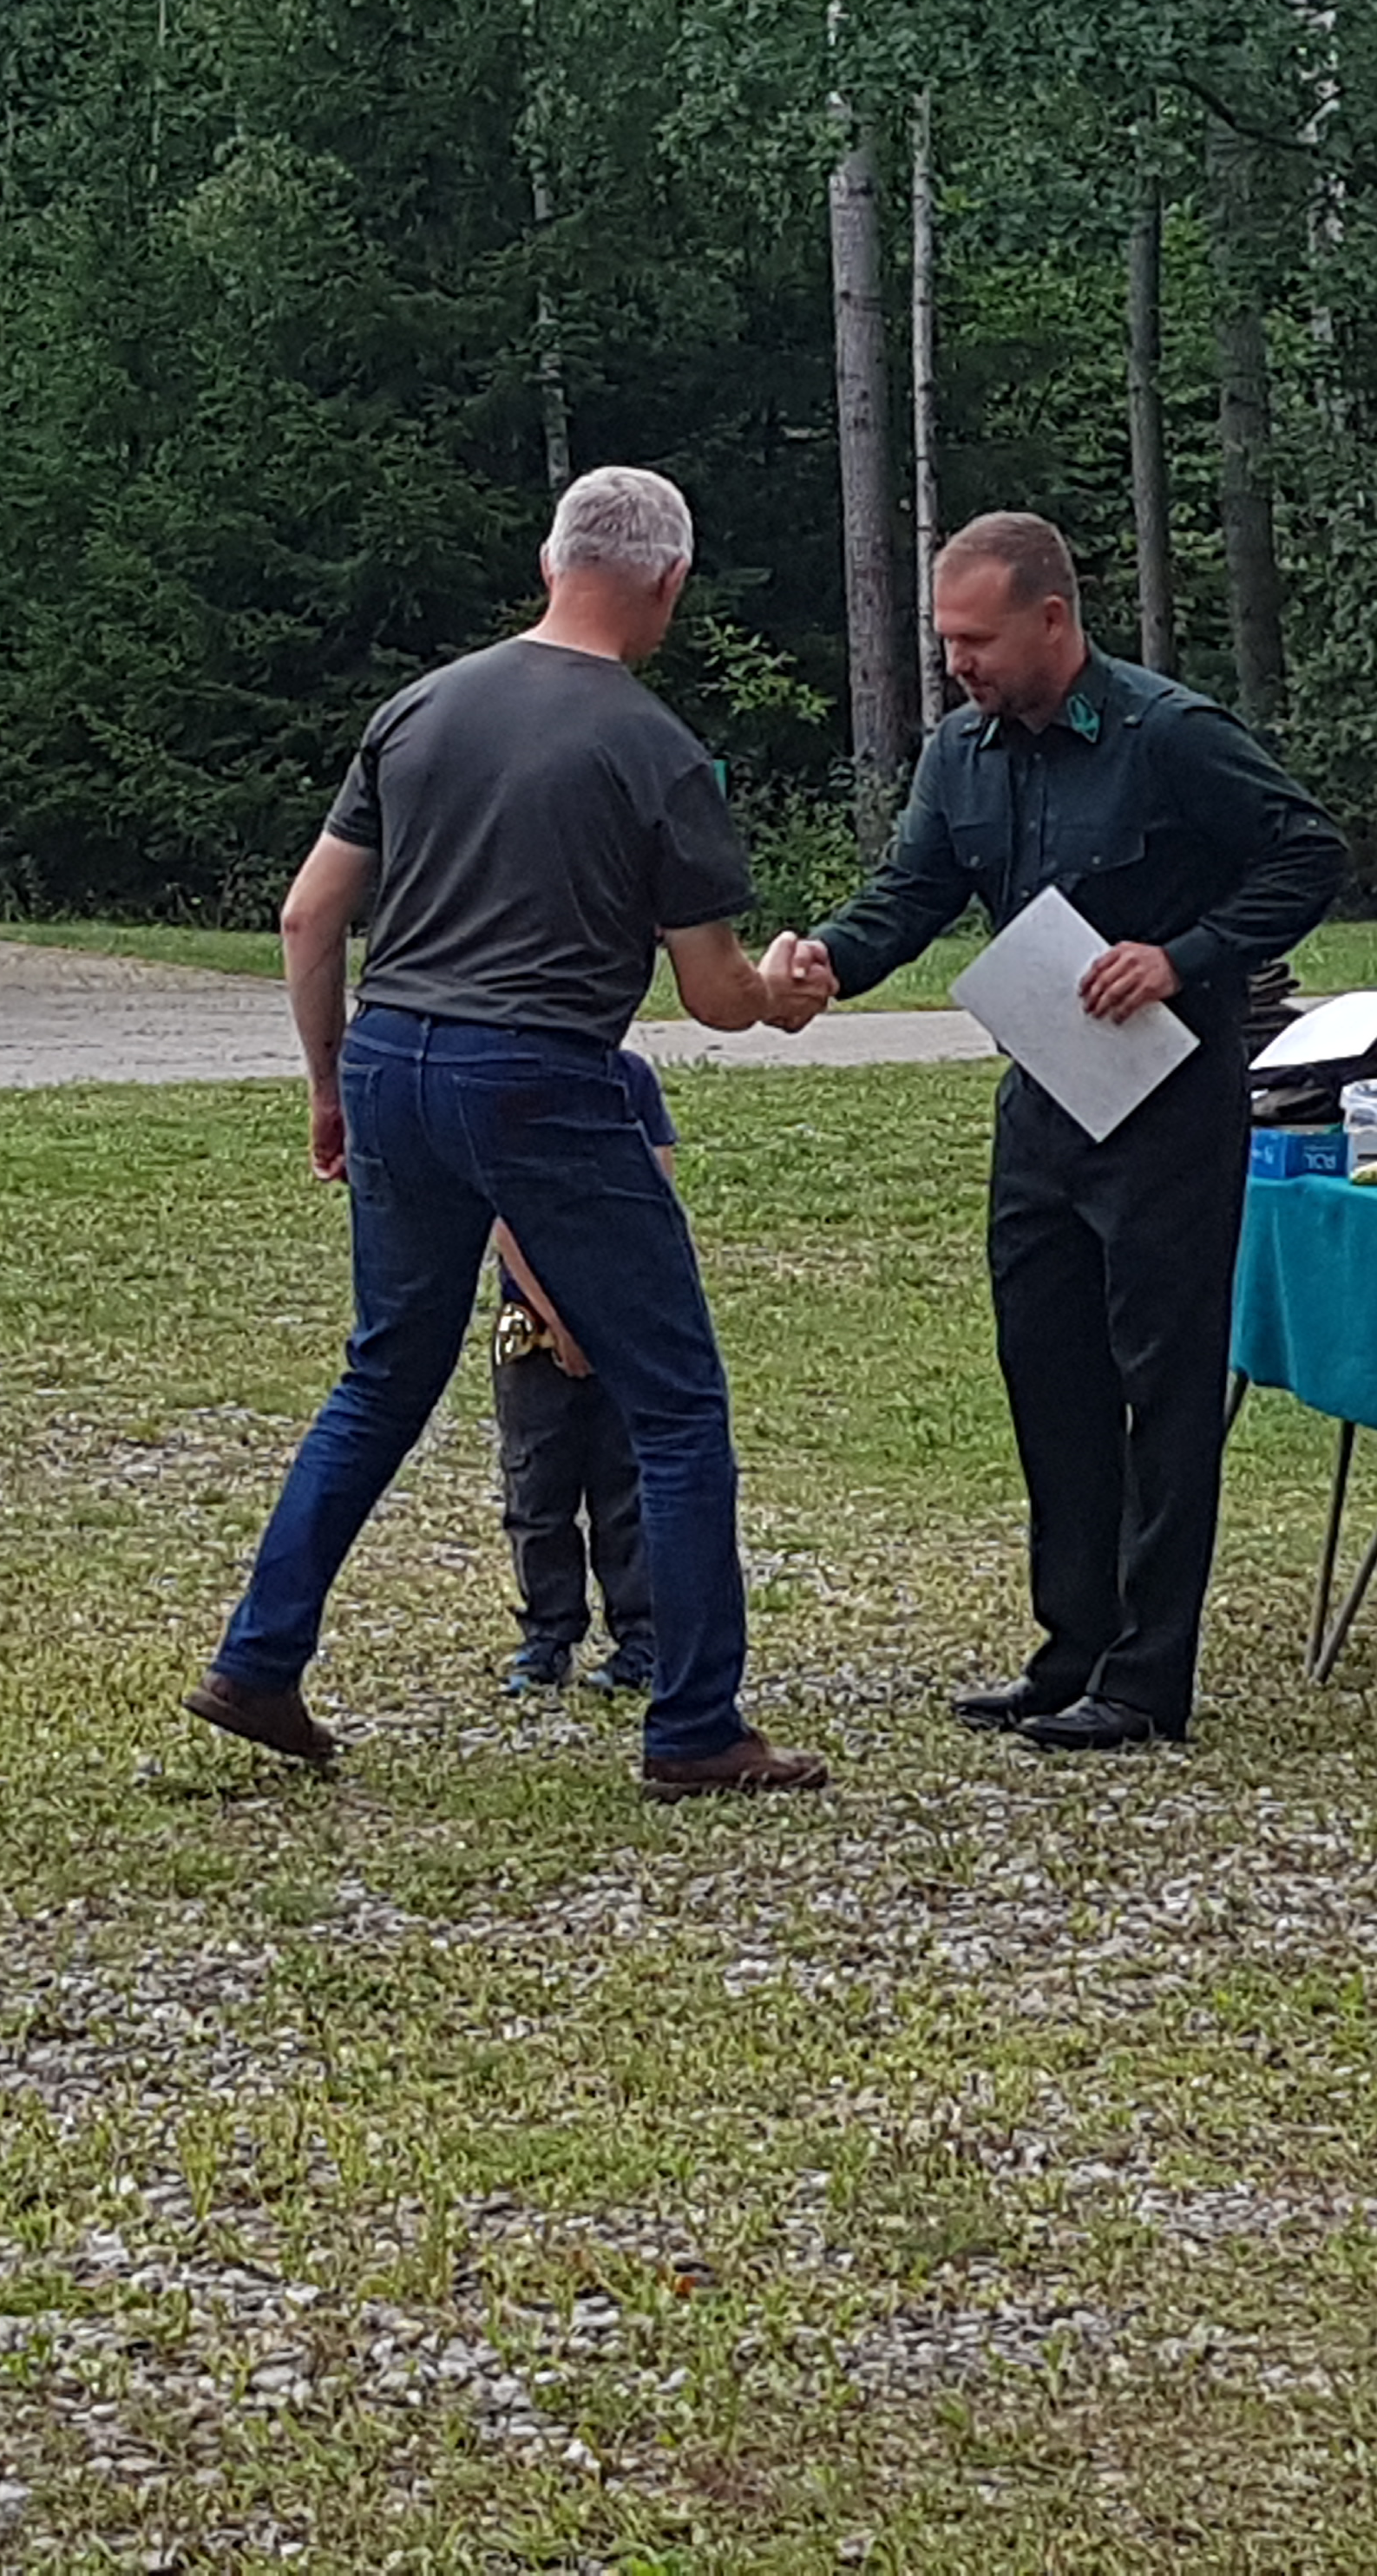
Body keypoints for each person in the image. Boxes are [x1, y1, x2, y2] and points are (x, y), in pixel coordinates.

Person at [190, 464, 838, 1800]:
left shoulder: (419, 709)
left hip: (392, 1058)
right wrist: (782, 994)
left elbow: (310, 917)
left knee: (384, 1376)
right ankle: (696, 1726)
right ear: (670, 583)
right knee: (676, 1403)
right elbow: (712, 993)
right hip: (540, 1074)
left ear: (549, 564)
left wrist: (330, 1085)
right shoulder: (657, 750)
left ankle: (258, 1658)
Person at [800, 512, 1344, 1752]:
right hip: (1045, 1100)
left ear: (1054, 620)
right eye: (947, 642)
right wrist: (829, 959)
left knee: (1164, 1386)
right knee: (1048, 1372)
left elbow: (1308, 854)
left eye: (977, 641)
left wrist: (1184, 955)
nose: (958, 665)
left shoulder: (1171, 736)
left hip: (1170, 1104)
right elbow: (913, 891)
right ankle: (1071, 1650)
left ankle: (1148, 1678)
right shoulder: (962, 752)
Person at [488, 1046, 673, 1701]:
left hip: (621, 1311)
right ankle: (547, 1635)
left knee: (627, 1487)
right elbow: (503, 1220)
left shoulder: (630, 1079)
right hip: (533, 1321)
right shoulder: (507, 1081)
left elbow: (657, 1195)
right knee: (536, 1485)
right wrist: (560, 1322)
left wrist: (614, 1313)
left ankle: (643, 1637)